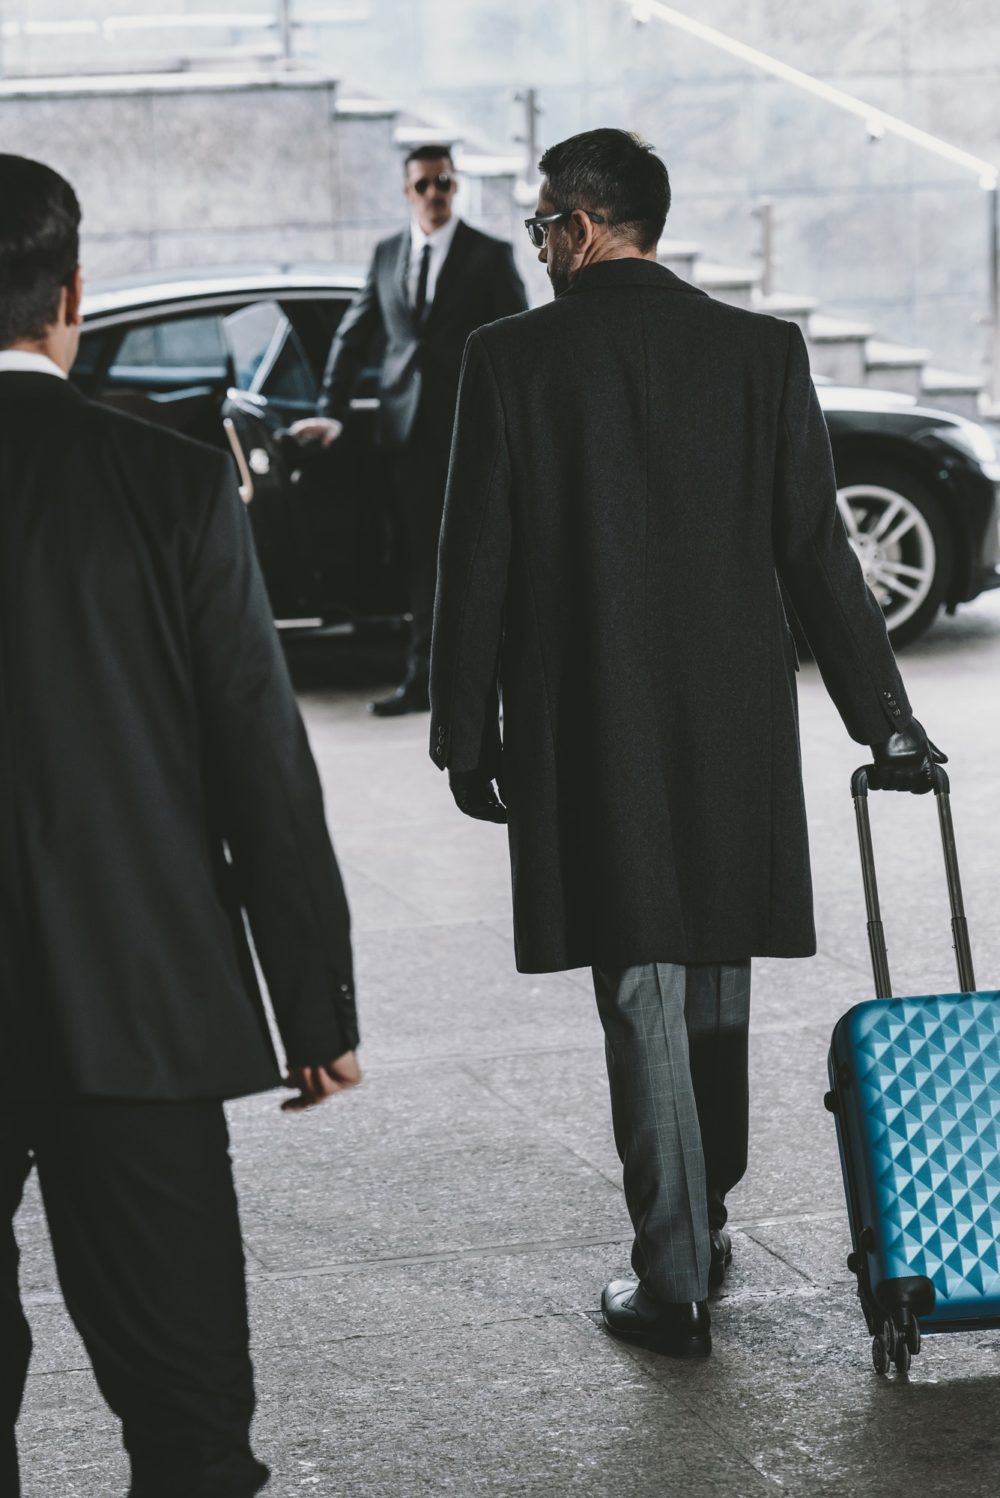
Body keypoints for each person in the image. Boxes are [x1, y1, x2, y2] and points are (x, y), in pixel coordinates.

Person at [428, 127, 944, 1360]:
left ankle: (671, 1284)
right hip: (730, 726)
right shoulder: (757, 351)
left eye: (547, 225)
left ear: (585, 225)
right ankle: (700, 1219)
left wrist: (464, 732)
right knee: (710, 972)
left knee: (642, 986)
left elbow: (475, 561)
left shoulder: (509, 358)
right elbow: (819, 555)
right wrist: (888, 724)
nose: (543, 247)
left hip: (589, 719)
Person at [0, 154, 361, 1497]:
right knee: (190, 1416)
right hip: (136, 1001)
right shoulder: (166, 484)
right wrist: (312, 1006)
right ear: (72, 296)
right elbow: (257, 761)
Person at [291, 143, 528, 717]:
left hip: (472, 433)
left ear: (456, 187)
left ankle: (496, 683)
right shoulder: (387, 253)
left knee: (482, 556)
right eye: (423, 184)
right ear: (407, 191)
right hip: (406, 436)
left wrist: (519, 423)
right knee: (423, 559)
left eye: (444, 182)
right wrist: (334, 411)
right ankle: (424, 680)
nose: (434, 194)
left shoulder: (488, 255)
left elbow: (519, 341)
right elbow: (353, 336)